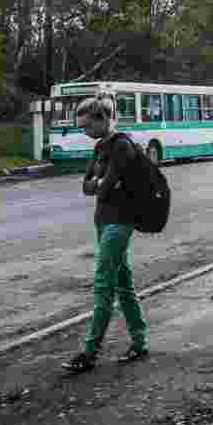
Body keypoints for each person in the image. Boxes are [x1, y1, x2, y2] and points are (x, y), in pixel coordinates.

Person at [62, 96, 149, 373]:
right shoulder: (101, 147)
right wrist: (100, 183)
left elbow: (101, 187)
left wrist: (100, 183)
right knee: (123, 284)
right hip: (103, 221)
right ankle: (139, 341)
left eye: (86, 126)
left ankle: (90, 351)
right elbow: (86, 186)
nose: (84, 132)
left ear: (102, 120)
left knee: (103, 285)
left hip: (119, 223)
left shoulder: (122, 146)